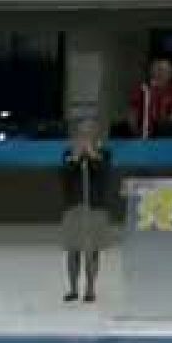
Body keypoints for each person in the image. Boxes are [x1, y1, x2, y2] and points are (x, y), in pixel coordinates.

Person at [60, 119, 113, 304]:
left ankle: (90, 288)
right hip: (74, 206)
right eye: (82, 133)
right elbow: (65, 176)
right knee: (73, 249)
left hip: (95, 207)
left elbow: (103, 173)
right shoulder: (69, 153)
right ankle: (73, 288)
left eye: (89, 133)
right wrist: (76, 158)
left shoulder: (104, 154)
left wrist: (91, 154)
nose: (85, 137)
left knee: (93, 250)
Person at [130, 59, 172, 139]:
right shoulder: (143, 89)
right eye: (161, 70)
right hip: (144, 135)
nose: (165, 74)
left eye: (168, 71)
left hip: (166, 135)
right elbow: (133, 113)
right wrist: (135, 132)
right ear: (153, 72)